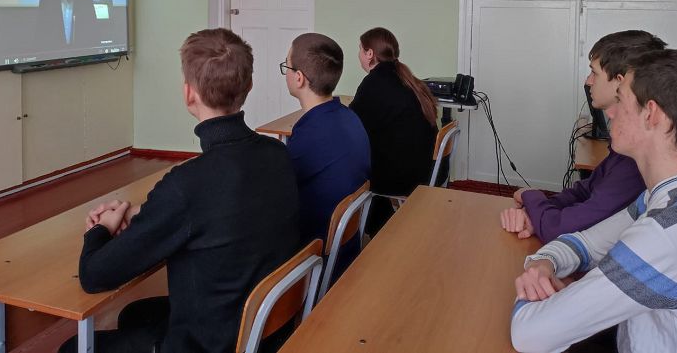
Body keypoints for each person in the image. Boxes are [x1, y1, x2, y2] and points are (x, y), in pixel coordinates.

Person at [59, 28, 300, 353]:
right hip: (263, 327)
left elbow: (93, 275)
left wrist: (99, 231)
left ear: (189, 94)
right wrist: (141, 214)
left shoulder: (186, 185)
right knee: (134, 313)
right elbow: (218, 209)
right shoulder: (278, 154)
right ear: (249, 86)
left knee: (72, 347)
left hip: (211, 343)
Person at [511, 49, 677, 353]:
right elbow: (586, 245)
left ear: (651, 114)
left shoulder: (667, 234)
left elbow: (528, 334)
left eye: (621, 99)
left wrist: (530, 288)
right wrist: (542, 263)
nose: (611, 112)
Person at [500, 30, 666, 243]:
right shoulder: (625, 147)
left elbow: (559, 229)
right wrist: (535, 214)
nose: (588, 81)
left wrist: (529, 196)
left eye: (594, 73)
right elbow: (586, 191)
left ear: (620, 82)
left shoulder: (637, 157)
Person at [281, 32, 370, 278]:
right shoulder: (348, 117)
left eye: (286, 66)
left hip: (316, 258)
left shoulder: (311, 134)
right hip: (344, 247)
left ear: (299, 78)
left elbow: (278, 193)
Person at [349, 27, 438, 235]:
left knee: (350, 170)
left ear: (369, 53)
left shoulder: (374, 82)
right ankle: (386, 227)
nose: (359, 54)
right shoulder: (404, 77)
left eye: (360, 49)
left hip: (404, 175)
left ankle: (381, 232)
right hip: (423, 165)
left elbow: (352, 125)